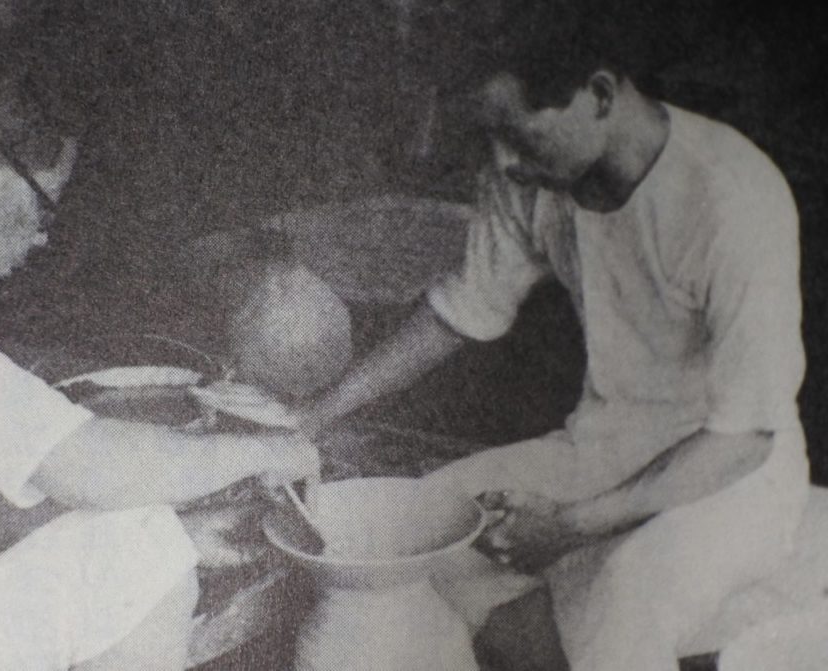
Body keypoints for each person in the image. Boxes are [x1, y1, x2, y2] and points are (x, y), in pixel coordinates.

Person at [299, 1, 810, 669]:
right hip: (602, 445)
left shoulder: (731, 196)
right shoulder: (531, 180)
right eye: (489, 136)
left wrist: (568, 527)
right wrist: (315, 413)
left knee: (625, 597)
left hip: (737, 477)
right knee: (423, 522)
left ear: (599, 94)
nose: (504, 161)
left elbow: (745, 435)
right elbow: (465, 307)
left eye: (518, 135)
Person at [0, 70, 317, 670]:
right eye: (43, 210)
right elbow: (87, 465)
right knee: (138, 555)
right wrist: (268, 451)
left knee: (142, 534)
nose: (42, 240)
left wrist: (185, 529)